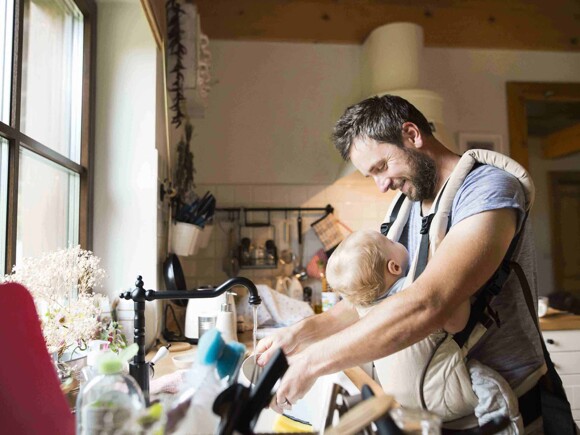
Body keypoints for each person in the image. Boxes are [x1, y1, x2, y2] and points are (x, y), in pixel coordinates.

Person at [256, 95, 576, 433]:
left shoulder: (488, 190)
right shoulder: (405, 207)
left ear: (412, 134)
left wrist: (311, 363)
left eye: (381, 167)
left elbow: (432, 301)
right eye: (371, 176)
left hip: (504, 410)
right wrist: (297, 336)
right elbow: (365, 302)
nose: (382, 185)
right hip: (438, 411)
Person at [325, 229, 470, 334]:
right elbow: (456, 322)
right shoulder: (410, 288)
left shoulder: (373, 307)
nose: (394, 238)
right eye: (390, 241)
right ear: (394, 267)